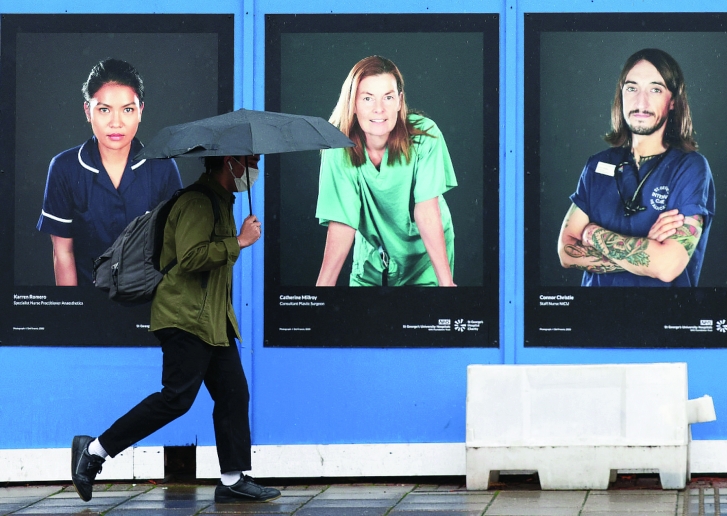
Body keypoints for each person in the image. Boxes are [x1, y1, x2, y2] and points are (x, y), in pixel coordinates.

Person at [70, 154, 280, 504]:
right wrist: (239, 241)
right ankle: (94, 451)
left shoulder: (220, 201)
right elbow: (191, 256)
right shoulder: (198, 201)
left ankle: (232, 479)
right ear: (230, 163)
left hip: (213, 321)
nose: (254, 168)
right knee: (176, 399)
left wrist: (235, 241)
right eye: (250, 160)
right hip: (185, 318)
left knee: (233, 393)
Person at [557, 48, 715, 287]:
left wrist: (591, 233)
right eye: (632, 88)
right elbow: (566, 252)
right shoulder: (598, 165)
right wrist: (643, 252)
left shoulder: (690, 168)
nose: (641, 102)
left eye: (655, 89)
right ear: (621, 96)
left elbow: (667, 266)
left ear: (672, 101)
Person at [315, 55, 458, 287]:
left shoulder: (426, 136)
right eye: (368, 98)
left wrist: (446, 284)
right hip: (372, 261)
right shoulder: (337, 147)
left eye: (388, 97)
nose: (379, 109)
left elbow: (427, 212)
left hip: (425, 260)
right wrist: (319, 296)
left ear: (400, 101)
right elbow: (342, 223)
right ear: (353, 103)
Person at [37, 58, 182, 285]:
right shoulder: (64, 167)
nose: (116, 123)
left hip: (149, 306)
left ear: (140, 111)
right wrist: (74, 314)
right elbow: (63, 252)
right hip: (87, 306)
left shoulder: (162, 167)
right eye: (104, 109)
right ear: (88, 111)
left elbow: (174, 251)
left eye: (127, 109)